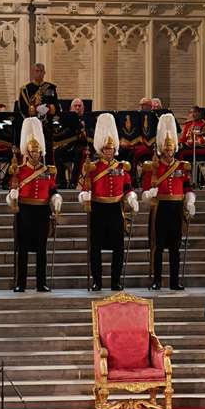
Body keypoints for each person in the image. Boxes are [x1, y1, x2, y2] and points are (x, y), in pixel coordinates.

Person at [79, 114, 137, 292]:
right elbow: (84, 187)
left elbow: (127, 187)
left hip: (115, 209)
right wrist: (85, 197)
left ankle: (115, 281)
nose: (108, 151)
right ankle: (97, 280)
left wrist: (131, 197)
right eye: (105, 148)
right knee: (95, 247)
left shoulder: (121, 167)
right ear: (101, 149)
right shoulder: (93, 167)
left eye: (111, 148)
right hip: (98, 208)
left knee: (118, 248)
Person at [6, 117, 61, 293]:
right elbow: (12, 189)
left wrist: (56, 198)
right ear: (27, 153)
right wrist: (12, 196)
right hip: (25, 210)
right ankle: (20, 283)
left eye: (38, 152)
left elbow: (52, 189)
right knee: (22, 249)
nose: (36, 155)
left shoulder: (47, 171)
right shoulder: (19, 170)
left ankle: (41, 282)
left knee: (41, 249)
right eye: (33, 152)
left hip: (42, 210)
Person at [141, 114, 195, 292]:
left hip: (177, 208)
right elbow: (145, 190)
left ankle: (174, 281)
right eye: (166, 149)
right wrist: (151, 193)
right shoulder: (153, 167)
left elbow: (187, 186)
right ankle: (156, 280)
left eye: (171, 149)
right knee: (158, 246)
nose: (169, 152)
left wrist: (190, 200)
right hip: (161, 208)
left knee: (175, 247)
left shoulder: (181, 166)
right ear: (161, 150)